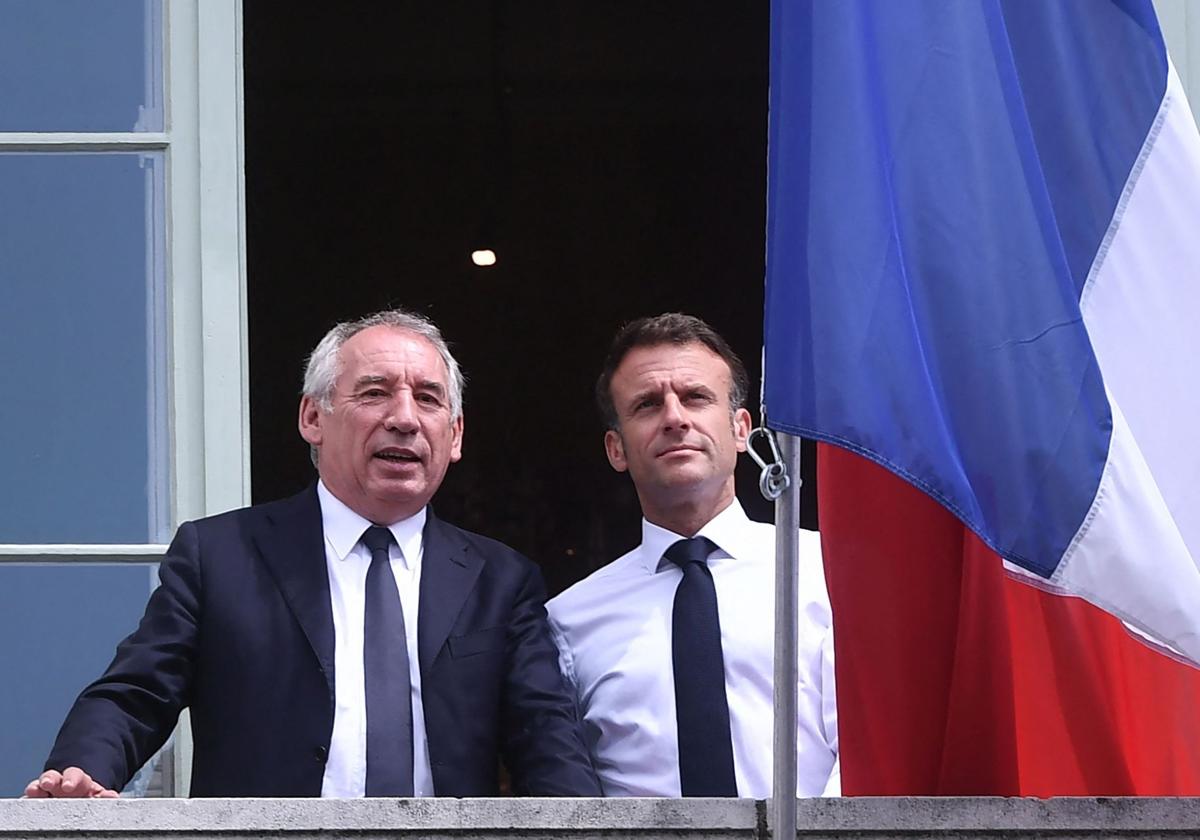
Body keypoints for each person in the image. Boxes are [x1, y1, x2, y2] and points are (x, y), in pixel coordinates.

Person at [27, 309, 600, 799]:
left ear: (453, 436)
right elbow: (136, 695)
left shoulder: (501, 579)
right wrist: (81, 775)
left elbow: (545, 735)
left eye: (428, 399)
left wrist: (585, 827)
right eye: (375, 393)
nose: (403, 418)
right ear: (312, 418)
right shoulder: (221, 556)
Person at [546, 313, 838, 798]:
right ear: (616, 449)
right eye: (647, 405)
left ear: (741, 428)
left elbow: (868, 748)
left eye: (697, 397)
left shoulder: (825, 571)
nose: (675, 418)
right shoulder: (569, 620)